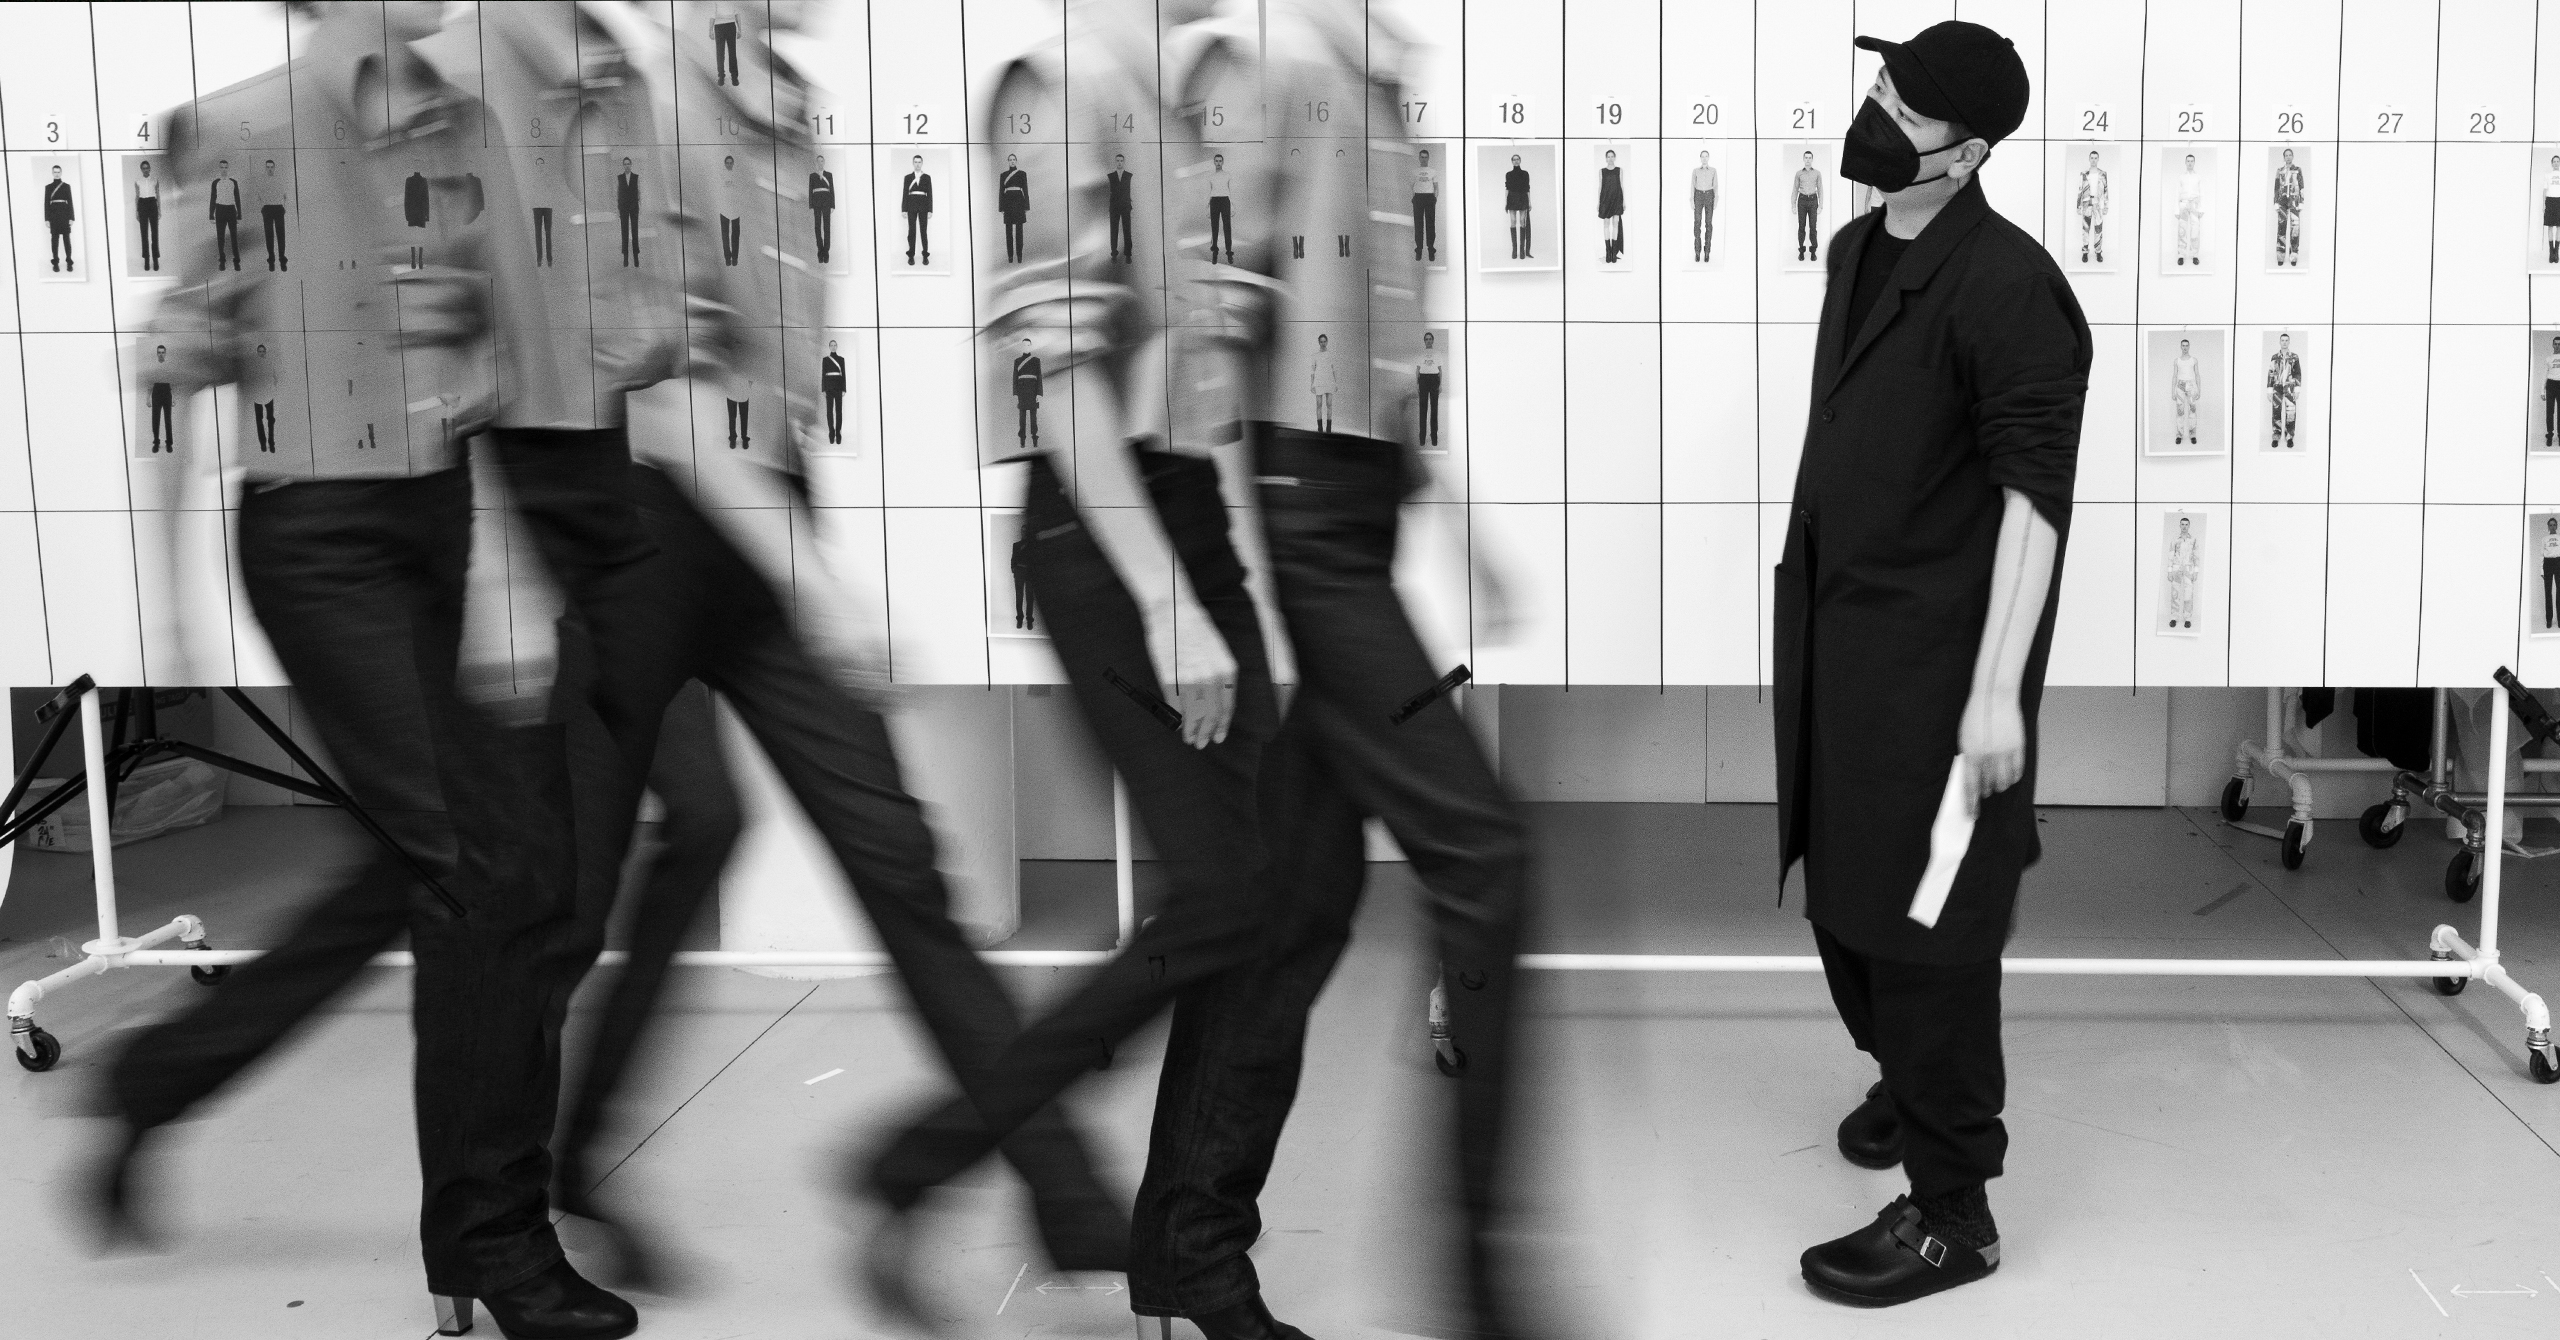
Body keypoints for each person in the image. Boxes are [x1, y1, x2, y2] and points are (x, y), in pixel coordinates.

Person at [83, 6, 628, 1338]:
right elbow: (174, 368)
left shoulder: (461, 122)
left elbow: (494, 363)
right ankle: (494, 1242)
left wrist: (504, 567)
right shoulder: (238, 129)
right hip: (318, 540)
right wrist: (167, 608)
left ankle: (160, 1077)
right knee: (484, 869)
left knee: (433, 867)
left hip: (441, 521)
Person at [1776, 19, 2088, 1307]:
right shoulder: (1858, 250)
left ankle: (1954, 1209)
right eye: (1879, 89)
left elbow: (2032, 497)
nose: (1875, 117)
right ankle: (1904, 1083)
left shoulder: (2011, 287)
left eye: (1904, 112)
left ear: (1966, 153)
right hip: (1841, 646)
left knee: (1930, 932)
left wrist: (1996, 689)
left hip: (1943, 672)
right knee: (1846, 901)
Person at [2266, 333, 2300, 449]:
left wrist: (2297, 389)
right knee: (2276, 412)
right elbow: (2271, 373)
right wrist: (2269, 390)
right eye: (2282, 340)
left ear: (2289, 342)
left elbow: (2297, 373)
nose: (2284, 342)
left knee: (2291, 412)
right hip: (2277, 388)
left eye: (2286, 340)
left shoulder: (2294, 357)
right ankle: (2276, 436)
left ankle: (2289, 437)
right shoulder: (2274, 357)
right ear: (2280, 342)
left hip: (2290, 388)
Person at [2166, 515, 2200, 631]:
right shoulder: (2175, 539)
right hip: (2176, 569)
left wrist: (2196, 572)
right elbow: (2171, 555)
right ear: (2180, 526)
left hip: (2189, 569)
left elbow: (2196, 556)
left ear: (2189, 526)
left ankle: (2187, 619)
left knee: (2188, 595)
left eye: (2186, 525)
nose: (2184, 527)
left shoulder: (2193, 540)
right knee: (2175, 594)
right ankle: (2174, 617)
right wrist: (2169, 571)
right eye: (2182, 524)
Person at [2273, 148, 2304, 267]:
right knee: (2281, 228)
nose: (2288, 157)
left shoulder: (2298, 170)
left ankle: (2293, 257)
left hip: (2294, 201)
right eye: (2286, 155)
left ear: (2293, 156)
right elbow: (2276, 187)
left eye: (2290, 155)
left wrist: (2301, 201)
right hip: (2282, 201)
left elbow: (2301, 186)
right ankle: (2280, 256)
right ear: (2284, 157)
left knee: (2295, 229)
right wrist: (2276, 202)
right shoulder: (2279, 170)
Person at [210, 159, 243, 270]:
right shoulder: (215, 182)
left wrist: (239, 215)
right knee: (221, 238)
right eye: (222, 167)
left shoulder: (233, 182)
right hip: (220, 210)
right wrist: (211, 215)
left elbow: (237, 198)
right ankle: (222, 261)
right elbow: (213, 198)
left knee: (234, 237)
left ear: (228, 168)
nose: (224, 170)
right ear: (219, 169)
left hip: (231, 210)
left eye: (225, 167)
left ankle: (236, 262)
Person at [999, 151, 1031, 263]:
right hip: (1007, 202)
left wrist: (1026, 206)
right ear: (1008, 162)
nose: (1012, 161)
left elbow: (1025, 190)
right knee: (1008, 232)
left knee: (1019, 232)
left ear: (1016, 161)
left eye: (1014, 160)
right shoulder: (1003, 175)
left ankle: (1019, 255)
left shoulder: (1022, 174)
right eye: (1010, 160)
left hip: (1019, 202)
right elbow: (1001, 192)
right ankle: (1010, 256)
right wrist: (1001, 207)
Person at [258, 157, 290, 270]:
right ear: (265, 168)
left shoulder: (280, 180)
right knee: (269, 235)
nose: (270, 169)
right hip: (267, 209)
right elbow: (258, 196)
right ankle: (271, 260)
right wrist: (262, 208)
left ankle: (282, 260)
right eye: (268, 167)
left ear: (274, 168)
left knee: (281, 235)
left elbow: (285, 196)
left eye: (272, 167)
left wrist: (284, 208)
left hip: (278, 208)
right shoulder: (262, 181)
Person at [2075, 149, 2106, 263]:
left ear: (2098, 159)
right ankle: (2085, 252)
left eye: (2095, 158)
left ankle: (2098, 252)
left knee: (2098, 229)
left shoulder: (2103, 174)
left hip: (2098, 204)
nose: (2093, 160)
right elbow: (2080, 189)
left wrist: (2106, 205)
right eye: (2092, 158)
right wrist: (2078, 206)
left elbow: (2106, 190)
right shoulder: (2084, 174)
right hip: (2086, 204)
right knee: (2086, 229)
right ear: (2089, 159)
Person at [902, 152, 932, 264]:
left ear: (922, 163)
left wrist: (930, 210)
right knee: (912, 231)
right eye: (915, 162)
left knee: (923, 231)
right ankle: (911, 255)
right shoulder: (907, 178)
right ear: (913, 163)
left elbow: (930, 194)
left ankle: (925, 255)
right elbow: (905, 193)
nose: (917, 164)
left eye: (919, 162)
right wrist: (904, 209)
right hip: (911, 205)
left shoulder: (927, 177)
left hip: (924, 206)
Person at [1012, 333, 1042, 445]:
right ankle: (1022, 439)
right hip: (1022, 390)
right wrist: (1016, 393)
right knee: (1022, 416)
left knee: (1033, 416)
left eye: (1028, 345)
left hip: (1033, 389)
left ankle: (1034, 437)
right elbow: (1015, 377)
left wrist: (1039, 393)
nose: (1026, 347)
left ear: (1031, 346)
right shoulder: (1017, 361)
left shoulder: (1036, 360)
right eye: (1024, 345)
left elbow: (1039, 377)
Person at [45, 163, 76, 271]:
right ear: (52, 173)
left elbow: (70, 202)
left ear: (61, 173)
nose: (57, 174)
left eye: (58, 172)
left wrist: (71, 217)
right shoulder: (48, 187)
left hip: (64, 215)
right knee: (54, 240)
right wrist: (47, 219)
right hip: (53, 216)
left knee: (67, 240)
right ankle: (55, 262)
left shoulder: (66, 186)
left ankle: (69, 262)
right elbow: (46, 204)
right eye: (55, 172)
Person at [1795, 148, 1823, 260]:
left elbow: (1820, 189)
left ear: (1812, 159)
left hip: (1813, 201)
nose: (1807, 160)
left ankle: (1813, 251)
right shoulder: (1799, 173)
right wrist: (1793, 204)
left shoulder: (1817, 173)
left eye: (1809, 158)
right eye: (1806, 158)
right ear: (1803, 159)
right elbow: (1795, 189)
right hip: (1802, 201)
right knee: (1801, 227)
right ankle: (1801, 251)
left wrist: (1820, 205)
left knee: (1813, 227)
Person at [2176, 152, 2204, 265]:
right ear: (2185, 162)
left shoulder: (2198, 177)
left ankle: (2195, 255)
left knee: (2195, 230)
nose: (2190, 163)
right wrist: (2176, 210)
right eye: (2188, 161)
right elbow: (2177, 193)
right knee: (2182, 230)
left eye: (2192, 161)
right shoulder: (2181, 177)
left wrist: (2201, 209)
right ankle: (2181, 255)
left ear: (2194, 162)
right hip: (2183, 204)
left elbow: (2202, 193)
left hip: (2194, 205)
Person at [133, 158, 161, 272]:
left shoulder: (155, 180)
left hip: (152, 204)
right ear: (141, 169)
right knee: (144, 234)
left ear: (150, 169)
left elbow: (158, 195)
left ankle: (155, 259)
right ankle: (146, 259)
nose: (146, 170)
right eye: (143, 168)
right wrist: (136, 211)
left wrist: (159, 209)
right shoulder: (137, 181)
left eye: (147, 168)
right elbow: (137, 196)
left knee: (155, 234)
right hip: (142, 205)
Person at [1108, 150, 1136, 261]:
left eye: (1121, 161)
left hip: (1125, 206)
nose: (1119, 163)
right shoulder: (1111, 176)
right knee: (1114, 231)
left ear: (1123, 162)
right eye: (1117, 161)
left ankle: (1128, 254)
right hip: (1114, 207)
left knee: (1127, 231)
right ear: (1115, 162)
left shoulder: (1128, 175)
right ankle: (1114, 254)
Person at [2171, 337, 2200, 445]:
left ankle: (2193, 435)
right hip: (2180, 385)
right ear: (2180, 346)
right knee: (2180, 411)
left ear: (2189, 346)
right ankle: (2179, 435)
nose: (2185, 348)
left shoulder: (2194, 360)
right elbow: (2174, 376)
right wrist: (2173, 391)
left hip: (2191, 385)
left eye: (2187, 345)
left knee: (2192, 411)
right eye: (2183, 345)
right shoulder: (2177, 361)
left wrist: (2199, 389)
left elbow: (2197, 375)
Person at [1597, 147, 1624, 263]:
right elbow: (1600, 187)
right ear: (1606, 159)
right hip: (1605, 199)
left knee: (1616, 224)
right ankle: (1608, 252)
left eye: (1612, 156)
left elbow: (1621, 186)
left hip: (1617, 199)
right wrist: (1598, 202)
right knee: (1606, 224)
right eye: (1608, 157)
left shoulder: (1619, 170)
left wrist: (1624, 201)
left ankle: (1614, 252)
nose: (1610, 158)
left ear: (1615, 158)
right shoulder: (1601, 171)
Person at [146, 343, 174, 452]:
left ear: (165, 353)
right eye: (159, 352)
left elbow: (172, 383)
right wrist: (148, 398)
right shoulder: (153, 366)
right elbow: (149, 383)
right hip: (156, 391)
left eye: (163, 352)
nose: (161, 354)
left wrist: (174, 397)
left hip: (167, 391)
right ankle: (156, 443)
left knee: (168, 420)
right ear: (157, 354)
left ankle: (169, 444)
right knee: (155, 419)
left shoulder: (169, 366)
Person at [1417, 328, 1442, 446]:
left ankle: (1434, 437)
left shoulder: (1437, 354)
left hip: (1434, 380)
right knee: (1423, 410)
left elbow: (1440, 370)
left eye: (1430, 339)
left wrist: (1440, 384)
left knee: (1434, 410)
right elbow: (1417, 370)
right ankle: (1422, 437)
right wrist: (1417, 384)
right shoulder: (1420, 353)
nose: (1428, 341)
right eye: (1426, 339)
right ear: (1424, 341)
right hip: (1423, 380)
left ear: (1433, 340)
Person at [615, 155, 642, 265]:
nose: (627, 166)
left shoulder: (636, 177)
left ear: (631, 165)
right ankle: (625, 257)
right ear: (623, 165)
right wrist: (618, 208)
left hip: (634, 207)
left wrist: (639, 205)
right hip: (623, 208)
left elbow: (639, 192)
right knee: (624, 231)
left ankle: (636, 257)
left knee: (635, 232)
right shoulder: (619, 178)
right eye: (625, 164)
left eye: (628, 164)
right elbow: (618, 193)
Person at [1207, 150, 1233, 262]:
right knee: (1214, 227)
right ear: (1214, 162)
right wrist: (1208, 207)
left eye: (1220, 161)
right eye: (1216, 161)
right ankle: (1215, 252)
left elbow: (1231, 190)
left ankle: (1229, 252)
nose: (1218, 163)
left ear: (1223, 162)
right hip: (1214, 201)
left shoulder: (1227, 175)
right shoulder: (1211, 176)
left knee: (1227, 227)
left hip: (1225, 200)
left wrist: (1232, 205)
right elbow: (1209, 192)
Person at [1414, 146, 1439, 260]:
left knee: (1430, 225)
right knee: (1418, 225)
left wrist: (1435, 198)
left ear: (1428, 158)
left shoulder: (1433, 172)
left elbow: (1436, 186)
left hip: (1429, 198)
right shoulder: (1415, 171)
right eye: (1422, 157)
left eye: (1425, 157)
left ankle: (1431, 250)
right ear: (1419, 158)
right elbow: (1411, 185)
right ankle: (1419, 250)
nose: (1424, 159)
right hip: (1418, 198)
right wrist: (1414, 196)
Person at [718, 153, 743, 265]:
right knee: (725, 236)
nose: (729, 165)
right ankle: (728, 258)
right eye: (727, 163)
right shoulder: (721, 176)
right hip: (724, 209)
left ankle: (735, 258)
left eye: (730, 163)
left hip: (735, 210)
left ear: (733, 164)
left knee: (735, 236)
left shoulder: (736, 176)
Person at [808, 152, 834, 263]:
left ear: (824, 163)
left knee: (827, 227)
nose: (820, 163)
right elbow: (810, 190)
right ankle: (820, 252)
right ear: (816, 163)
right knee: (817, 227)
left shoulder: (829, 175)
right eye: (818, 161)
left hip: (827, 202)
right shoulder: (812, 176)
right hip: (817, 203)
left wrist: (832, 205)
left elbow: (832, 190)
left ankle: (826, 252)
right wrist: (811, 205)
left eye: (822, 161)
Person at [1691, 148, 1716, 262]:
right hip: (1698, 196)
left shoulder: (1713, 171)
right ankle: (1697, 251)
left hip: (1709, 196)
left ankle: (1707, 252)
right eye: (1703, 156)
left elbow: (1715, 186)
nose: (1704, 158)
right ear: (1700, 158)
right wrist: (1692, 200)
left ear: (1708, 158)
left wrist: (1715, 200)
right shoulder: (1695, 171)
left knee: (1708, 224)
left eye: (1706, 156)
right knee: (1697, 223)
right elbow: (1692, 185)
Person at [1504, 151, 1531, 258]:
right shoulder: (1508, 174)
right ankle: (1514, 250)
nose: (1516, 161)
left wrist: (1529, 201)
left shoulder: (1525, 173)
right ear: (1512, 161)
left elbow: (1527, 188)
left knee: (1523, 222)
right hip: (1512, 198)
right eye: (1514, 159)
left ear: (1520, 161)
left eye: (1517, 159)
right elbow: (1507, 188)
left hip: (1523, 198)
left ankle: (1522, 250)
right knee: (1513, 222)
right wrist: (1505, 202)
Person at [403, 166, 430, 267]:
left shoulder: (412, 180)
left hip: (415, 212)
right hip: (419, 212)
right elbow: (425, 199)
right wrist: (426, 215)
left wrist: (407, 214)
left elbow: (407, 198)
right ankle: (417, 260)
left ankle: (417, 260)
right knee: (417, 236)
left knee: (416, 236)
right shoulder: (417, 180)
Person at [821, 338, 846, 444]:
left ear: (837, 347)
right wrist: (823, 389)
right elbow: (823, 374)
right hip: (829, 388)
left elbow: (843, 375)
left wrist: (844, 389)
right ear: (829, 347)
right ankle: (831, 433)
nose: (833, 347)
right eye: (831, 345)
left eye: (835, 345)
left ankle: (838, 434)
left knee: (839, 412)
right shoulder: (825, 360)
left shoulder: (841, 359)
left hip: (839, 387)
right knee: (829, 412)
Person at [1309, 331, 1336, 431]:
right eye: (1321, 342)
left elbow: (1334, 369)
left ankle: (1329, 428)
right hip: (1319, 381)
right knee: (1319, 405)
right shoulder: (1315, 355)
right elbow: (1312, 371)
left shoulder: (1331, 354)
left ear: (1327, 342)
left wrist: (1335, 383)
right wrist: (1312, 384)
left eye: (1324, 341)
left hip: (1329, 381)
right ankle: (1320, 428)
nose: (1323, 343)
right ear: (1319, 342)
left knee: (1329, 404)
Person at [2541, 516, 2560, 629]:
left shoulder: (2559, 538)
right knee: (2548, 592)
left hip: (2558, 562)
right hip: (2547, 563)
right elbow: (2541, 555)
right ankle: (2549, 620)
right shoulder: (2544, 539)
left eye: (2554, 525)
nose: (2552, 527)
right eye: (2550, 525)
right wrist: (2541, 570)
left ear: (2556, 526)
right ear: (2548, 527)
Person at [2544, 154, 2560, 265]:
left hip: (2559, 200)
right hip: (2550, 200)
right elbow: (2545, 190)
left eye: (2557, 161)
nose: (2556, 163)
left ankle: (2556, 252)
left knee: (2559, 226)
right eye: (2554, 161)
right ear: (2551, 163)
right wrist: (2543, 204)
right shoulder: (2548, 175)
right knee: (2550, 226)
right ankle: (2551, 252)